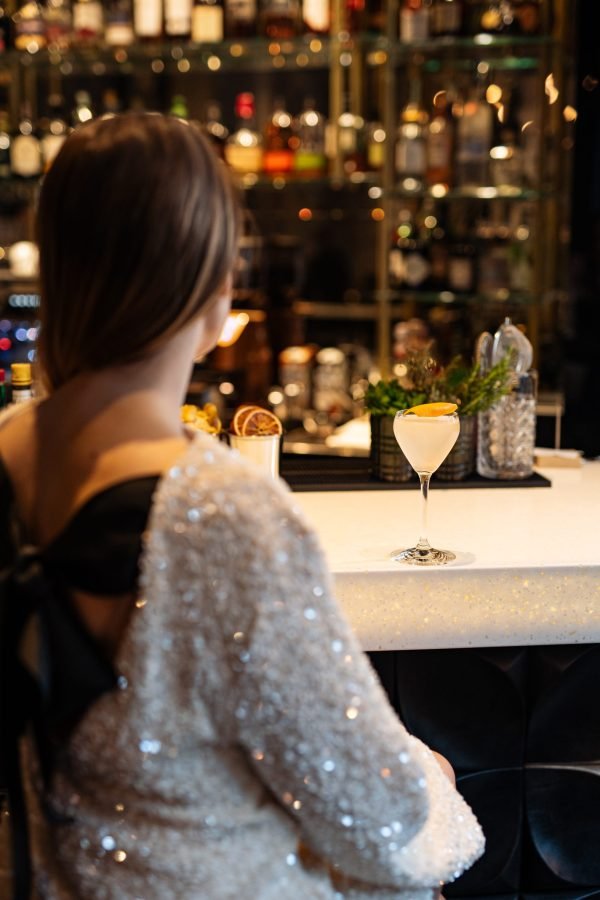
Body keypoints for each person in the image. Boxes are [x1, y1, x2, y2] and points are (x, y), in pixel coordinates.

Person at [0, 113, 484, 899]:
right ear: (215, 284)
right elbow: (375, 816)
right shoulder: (219, 510)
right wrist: (430, 777)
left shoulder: (10, 451)